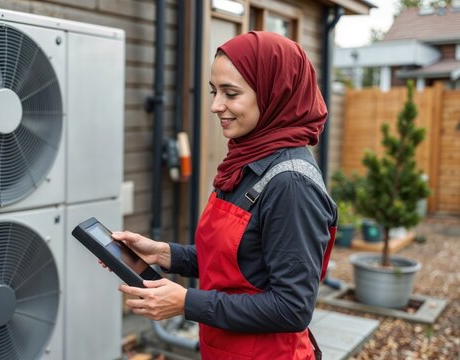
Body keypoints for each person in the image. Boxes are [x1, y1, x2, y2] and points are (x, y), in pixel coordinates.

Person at [112, 31, 338, 360]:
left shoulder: (291, 185)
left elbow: (292, 308)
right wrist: (163, 254)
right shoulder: (247, 162)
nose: (216, 106)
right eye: (214, 91)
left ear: (275, 93)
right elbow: (241, 262)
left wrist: (187, 302)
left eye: (231, 93)